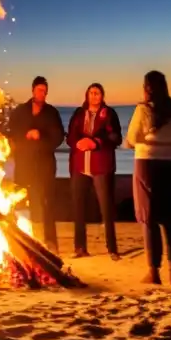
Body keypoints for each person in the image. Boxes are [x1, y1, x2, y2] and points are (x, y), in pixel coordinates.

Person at [124, 70, 171, 286]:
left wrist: (146, 141)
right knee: (169, 220)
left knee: (149, 218)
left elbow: (132, 138)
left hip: (147, 163)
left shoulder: (143, 110)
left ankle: (153, 271)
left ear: (147, 88)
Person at [8, 76, 65, 251]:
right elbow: (11, 132)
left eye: (45, 91)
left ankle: (51, 242)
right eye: (40, 90)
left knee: (47, 203)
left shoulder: (51, 113)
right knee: (20, 200)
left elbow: (59, 137)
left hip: (45, 164)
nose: (43, 93)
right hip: (24, 163)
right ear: (33, 90)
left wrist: (40, 135)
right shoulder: (20, 111)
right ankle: (18, 239)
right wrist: (25, 135)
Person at [66, 82, 123, 260]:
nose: (94, 96)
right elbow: (70, 134)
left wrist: (96, 142)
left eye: (97, 93)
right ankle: (80, 248)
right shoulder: (78, 113)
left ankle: (112, 249)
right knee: (78, 208)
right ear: (86, 95)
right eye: (91, 93)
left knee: (106, 208)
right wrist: (77, 143)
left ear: (102, 96)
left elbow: (116, 137)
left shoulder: (109, 113)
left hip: (101, 167)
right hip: (80, 166)